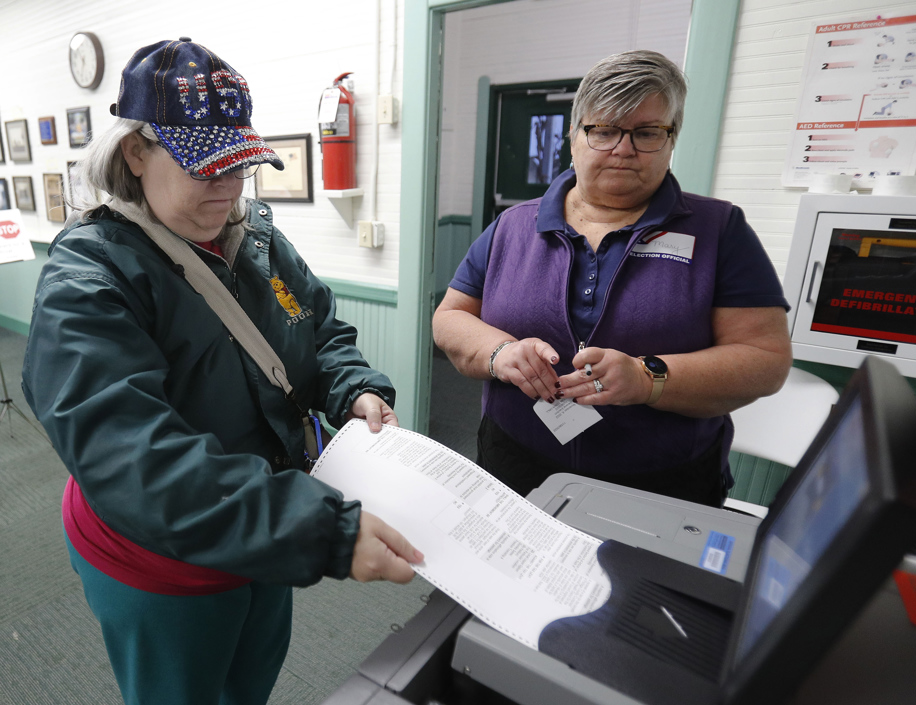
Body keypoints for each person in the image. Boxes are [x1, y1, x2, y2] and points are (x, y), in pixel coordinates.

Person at [22, 38, 421, 705]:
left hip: (266, 526)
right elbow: (131, 458)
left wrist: (354, 388)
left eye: (239, 166)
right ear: (135, 153)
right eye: (208, 169)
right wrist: (320, 529)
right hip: (163, 557)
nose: (231, 189)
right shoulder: (89, 275)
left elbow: (316, 329)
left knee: (248, 683)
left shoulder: (255, 233)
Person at [433, 50, 792, 507]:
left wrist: (648, 378)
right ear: (573, 135)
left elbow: (765, 358)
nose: (623, 148)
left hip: (660, 484)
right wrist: (500, 351)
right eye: (603, 130)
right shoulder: (513, 226)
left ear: (671, 138)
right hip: (515, 463)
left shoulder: (719, 231)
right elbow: (450, 317)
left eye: (646, 132)